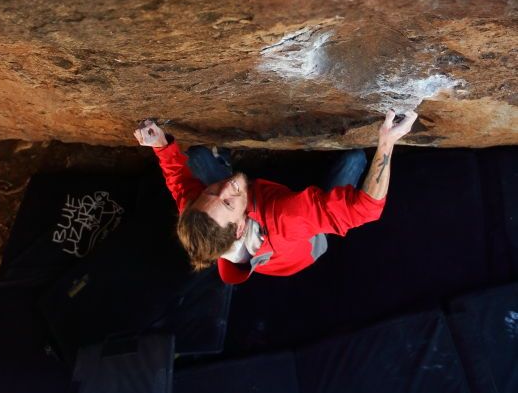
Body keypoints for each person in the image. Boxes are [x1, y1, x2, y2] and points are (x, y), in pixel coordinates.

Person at [134, 109, 417, 285]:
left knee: (195, 158)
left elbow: (181, 185)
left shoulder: (201, 213)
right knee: (355, 158)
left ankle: (226, 168)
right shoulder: (287, 218)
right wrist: (387, 142)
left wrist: (160, 145)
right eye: (228, 201)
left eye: (211, 192)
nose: (225, 186)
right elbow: (366, 210)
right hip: (305, 235)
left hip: (263, 204)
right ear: (241, 227)